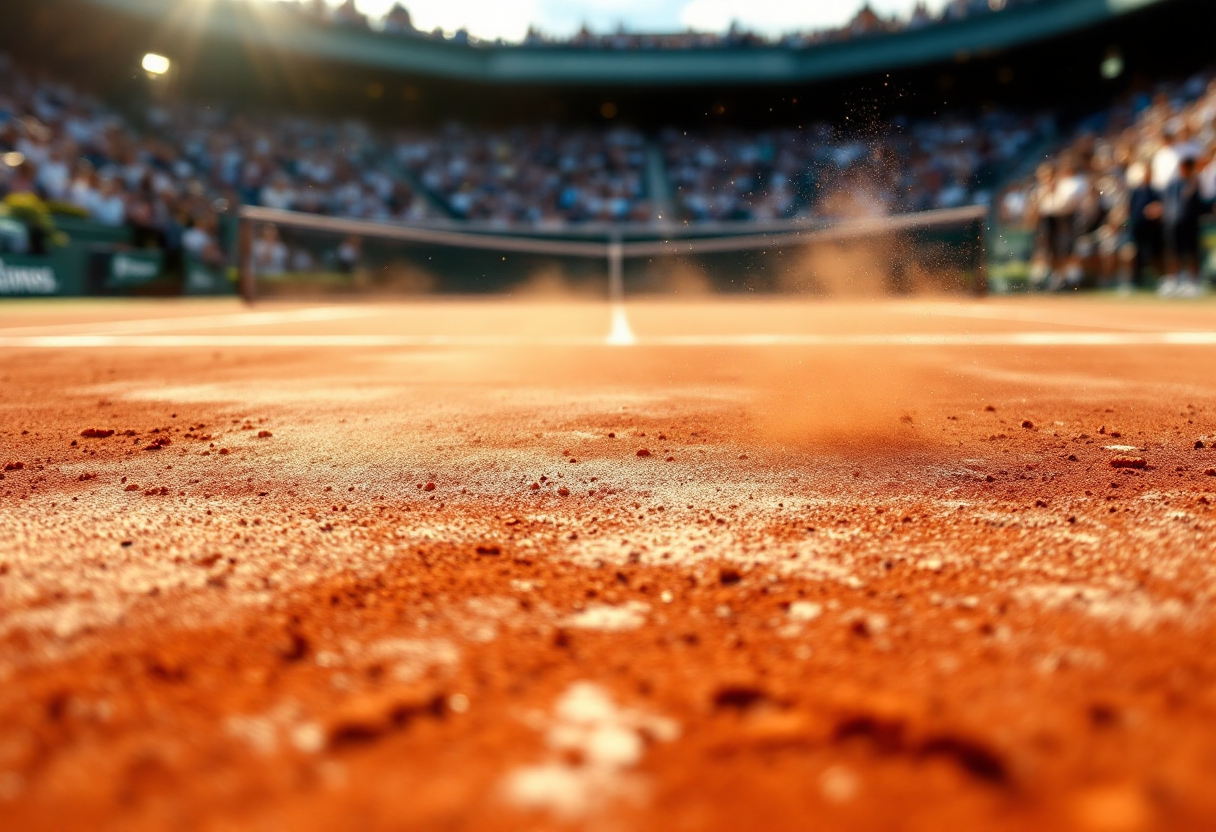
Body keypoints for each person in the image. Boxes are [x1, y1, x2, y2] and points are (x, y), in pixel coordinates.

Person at [1159, 156, 1209, 297]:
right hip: (1172, 224)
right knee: (1173, 252)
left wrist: (1194, 185)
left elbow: (1199, 203)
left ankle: (1193, 282)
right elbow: (1167, 203)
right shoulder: (1173, 184)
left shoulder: (1195, 183)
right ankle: (1174, 281)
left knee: (1192, 252)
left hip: (1190, 224)